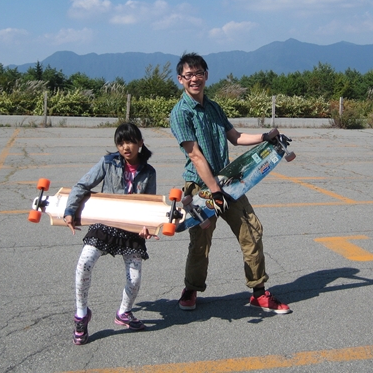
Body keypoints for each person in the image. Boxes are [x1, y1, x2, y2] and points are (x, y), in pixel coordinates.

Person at [169, 52, 291, 314]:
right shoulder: (180, 113)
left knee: (251, 231)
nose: (194, 79)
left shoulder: (214, 108)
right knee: (200, 241)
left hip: (228, 182)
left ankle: (259, 292)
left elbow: (235, 137)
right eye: (188, 75)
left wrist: (265, 136)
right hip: (201, 187)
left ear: (206, 75)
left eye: (198, 73)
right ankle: (191, 288)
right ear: (180, 79)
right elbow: (195, 155)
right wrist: (215, 191)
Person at [63, 122, 158, 345]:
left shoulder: (149, 172)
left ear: (140, 143)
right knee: (84, 262)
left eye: (130, 142)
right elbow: (82, 185)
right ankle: (81, 315)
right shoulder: (108, 163)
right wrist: (69, 211)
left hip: (132, 228)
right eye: (120, 143)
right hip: (105, 223)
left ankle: (124, 312)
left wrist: (147, 226)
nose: (125, 147)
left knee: (134, 278)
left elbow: (150, 204)